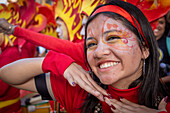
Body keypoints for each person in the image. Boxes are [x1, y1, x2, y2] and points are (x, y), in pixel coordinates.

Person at [0, 0, 169, 113]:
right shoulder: (81, 91)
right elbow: (6, 74)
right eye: (91, 43)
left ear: (145, 49)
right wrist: (57, 61)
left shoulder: (164, 101)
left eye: (113, 38)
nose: (99, 51)